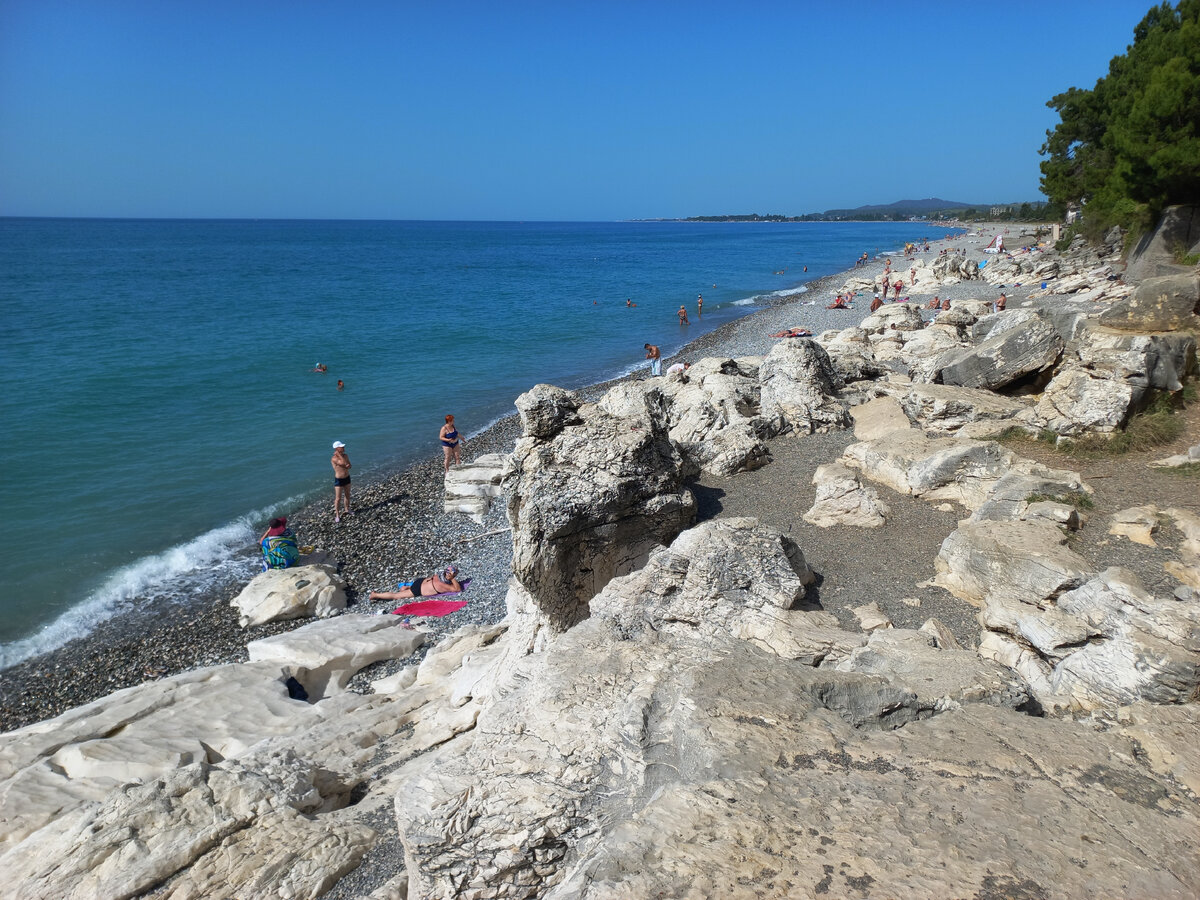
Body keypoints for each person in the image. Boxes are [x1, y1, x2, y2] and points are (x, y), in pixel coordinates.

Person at [369, 565, 461, 601]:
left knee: (408, 589)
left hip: (420, 581)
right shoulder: (444, 585)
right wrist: (452, 578)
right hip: (418, 589)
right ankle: (375, 595)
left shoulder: (440, 574)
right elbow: (457, 589)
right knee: (395, 596)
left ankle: (406, 587)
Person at [331, 441, 352, 522]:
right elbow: (343, 463)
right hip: (339, 480)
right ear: (337, 448)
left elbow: (349, 465)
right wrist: (339, 455)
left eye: (343, 446)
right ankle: (337, 514)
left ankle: (347, 509)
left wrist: (349, 465)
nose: (343, 448)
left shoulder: (345, 455)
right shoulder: (334, 458)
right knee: (338, 498)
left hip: (347, 477)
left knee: (347, 494)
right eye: (341, 447)